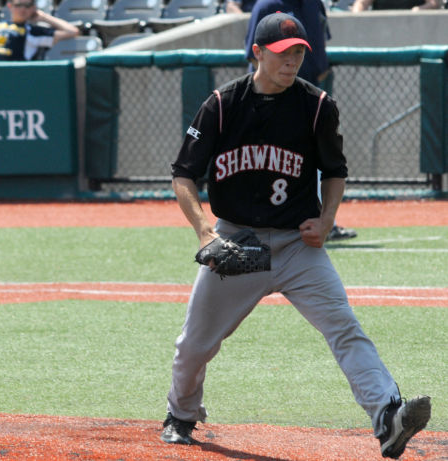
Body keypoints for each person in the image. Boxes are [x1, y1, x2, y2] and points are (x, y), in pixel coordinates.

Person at [160, 12, 431, 460]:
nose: (293, 61)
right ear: (258, 53)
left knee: (344, 329)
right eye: (284, 53)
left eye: (300, 52)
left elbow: (336, 172)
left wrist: (326, 220)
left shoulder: (317, 105)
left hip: (296, 246)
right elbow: (183, 174)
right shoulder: (223, 104)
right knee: (194, 345)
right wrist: (205, 230)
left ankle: (388, 416)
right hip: (238, 244)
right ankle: (181, 414)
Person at [244, 0, 356, 242]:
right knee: (271, 161)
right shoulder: (266, 5)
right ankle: (255, 224)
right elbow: (253, 55)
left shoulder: (314, 4)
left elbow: (319, 42)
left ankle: (324, 221)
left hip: (308, 93)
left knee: (315, 160)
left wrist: (317, 73)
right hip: (272, 99)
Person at [0, 0, 79, 61]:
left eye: (28, 5)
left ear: (33, 8)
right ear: (10, 6)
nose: (22, 9)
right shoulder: (0, 26)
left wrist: (44, 17)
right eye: (18, 5)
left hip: (12, 74)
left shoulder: (33, 31)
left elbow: (72, 31)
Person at [351, 0, 441, 11]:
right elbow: (361, 3)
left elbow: (434, 3)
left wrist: (418, 10)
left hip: (415, 29)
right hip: (381, 31)